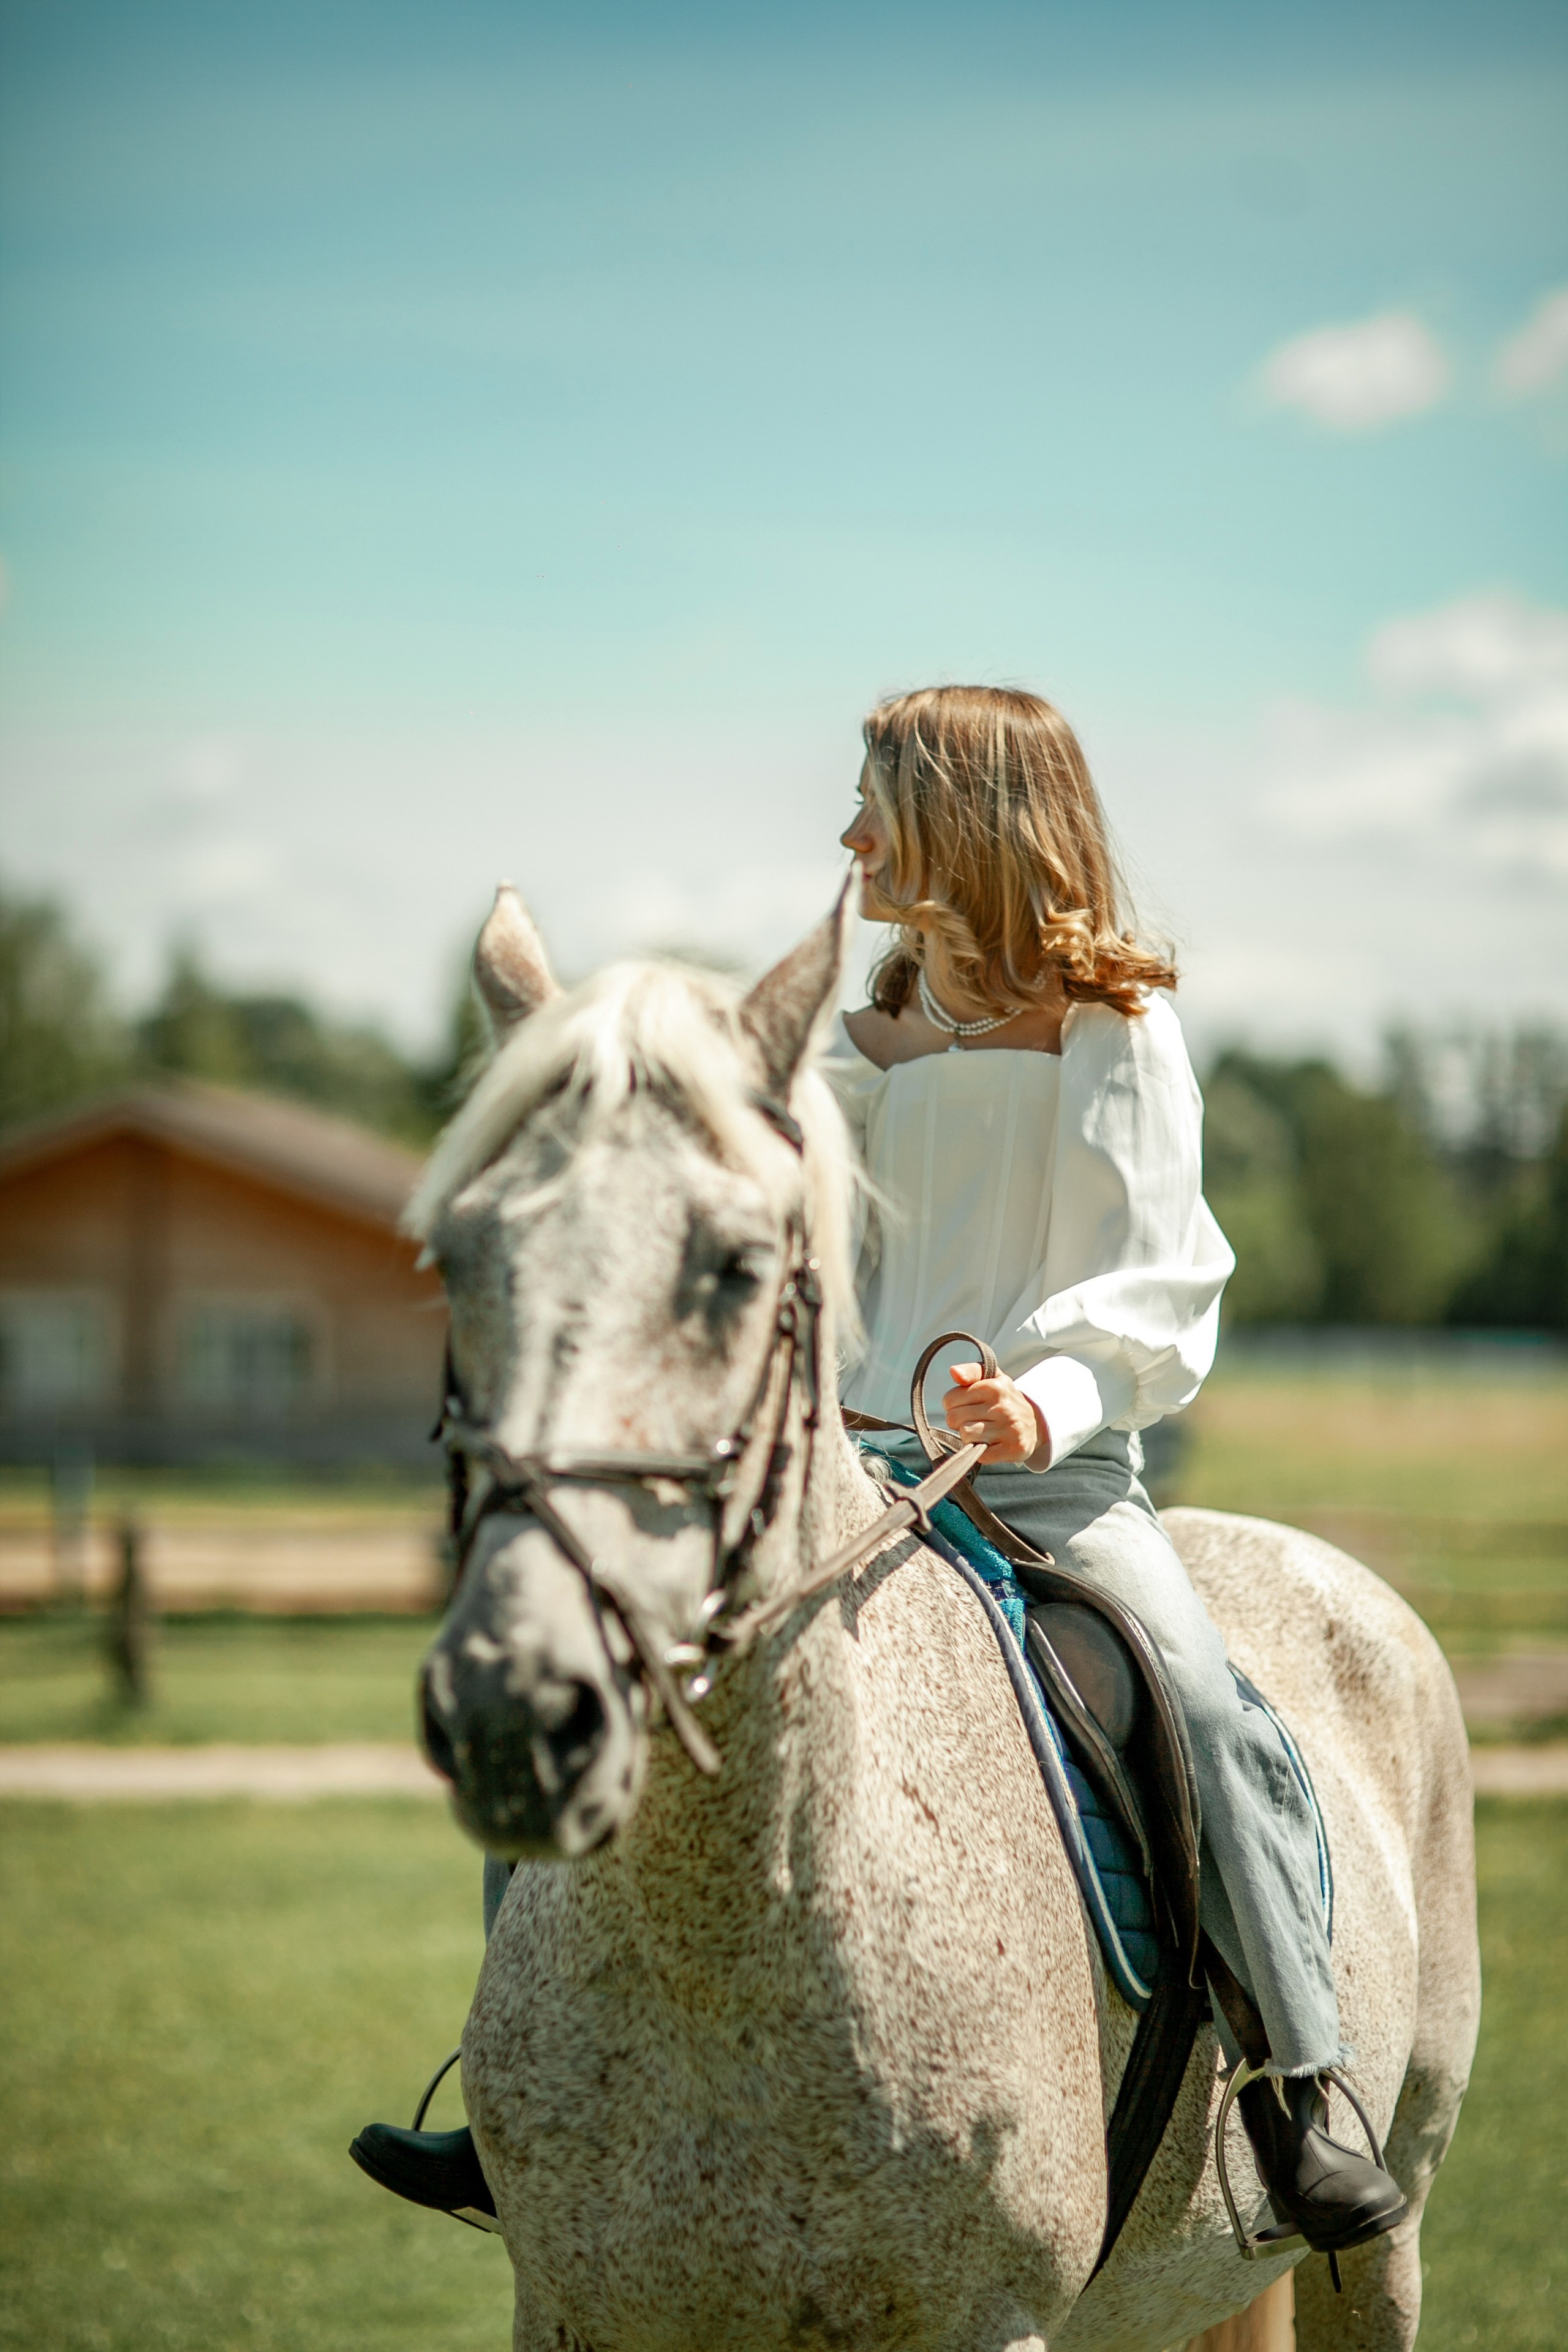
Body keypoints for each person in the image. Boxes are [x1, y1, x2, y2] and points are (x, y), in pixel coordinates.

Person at [353, 682, 1406, 2256]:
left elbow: (1160, 1282)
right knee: (616, 1660)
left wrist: (1035, 1402)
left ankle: (1295, 2084)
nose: (848, 835)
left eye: (875, 803)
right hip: (840, 1470)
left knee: (1195, 1696)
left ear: (970, 821)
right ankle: (523, 2092)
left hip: (1046, 1476)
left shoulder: (1116, 1030)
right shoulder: (846, 1035)